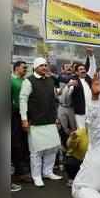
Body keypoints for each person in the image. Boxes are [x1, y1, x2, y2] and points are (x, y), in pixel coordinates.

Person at [19, 57, 62, 187]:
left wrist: (56, 117)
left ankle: (47, 172)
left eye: (46, 65)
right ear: (35, 67)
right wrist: (24, 119)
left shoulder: (50, 80)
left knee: (52, 148)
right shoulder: (28, 81)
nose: (45, 67)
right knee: (36, 152)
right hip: (35, 121)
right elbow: (23, 100)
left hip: (50, 120)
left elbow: (53, 99)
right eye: (42, 65)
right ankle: (36, 176)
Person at [11, 61, 31, 189]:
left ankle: (21, 172)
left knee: (24, 144)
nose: (26, 69)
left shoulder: (25, 81)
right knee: (16, 144)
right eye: (24, 67)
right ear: (16, 68)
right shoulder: (11, 81)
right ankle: (19, 172)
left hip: (25, 116)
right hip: (14, 116)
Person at [69, 48, 97, 128]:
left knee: (91, 131)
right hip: (80, 112)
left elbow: (93, 66)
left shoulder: (89, 77)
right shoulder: (73, 81)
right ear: (77, 72)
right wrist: (69, 86)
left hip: (90, 111)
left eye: (84, 69)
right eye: (81, 69)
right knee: (81, 132)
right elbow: (68, 94)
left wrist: (91, 55)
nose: (83, 71)